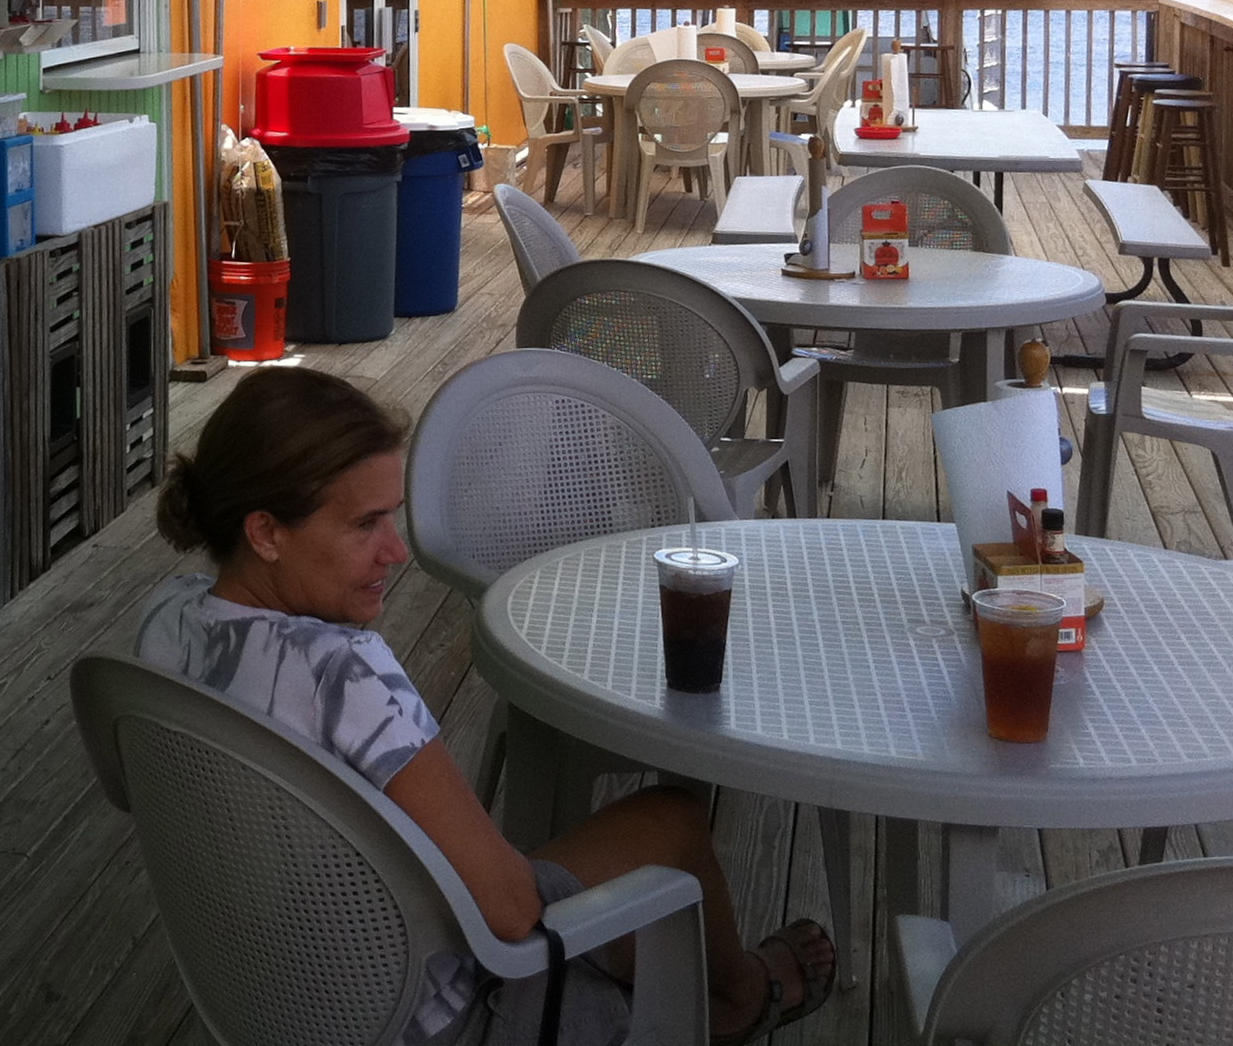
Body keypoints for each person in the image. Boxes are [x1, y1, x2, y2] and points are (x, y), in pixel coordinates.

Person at [138, 366, 834, 1045]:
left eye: (394, 519)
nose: (394, 552)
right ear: (265, 533)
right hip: (432, 1013)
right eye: (364, 525)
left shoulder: (164, 627)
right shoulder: (342, 677)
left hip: (272, 983)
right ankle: (740, 998)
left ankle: (679, 986)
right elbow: (509, 912)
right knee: (669, 819)